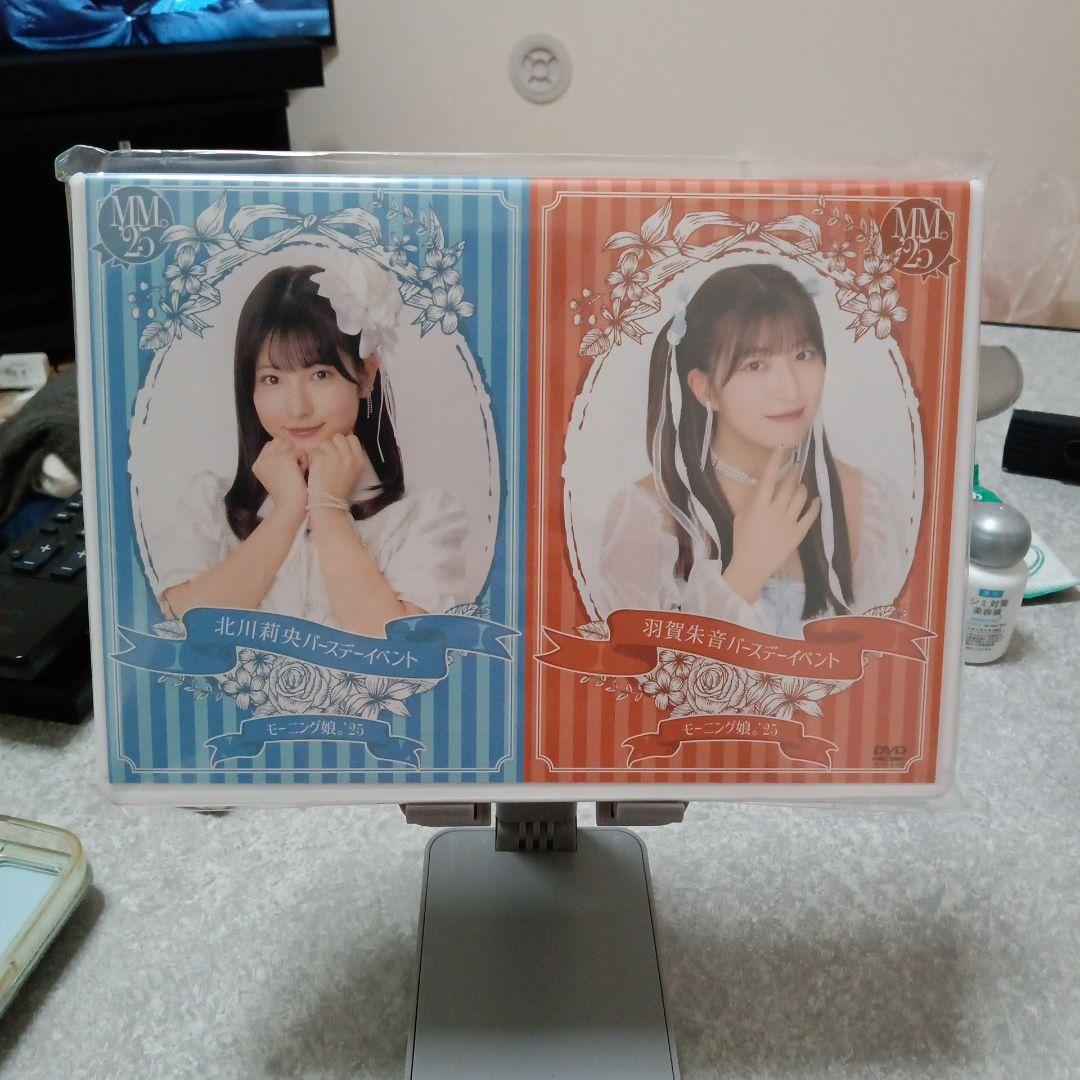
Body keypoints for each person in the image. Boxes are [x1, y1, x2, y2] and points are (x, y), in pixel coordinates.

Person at [148, 261, 470, 637]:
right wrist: (287, 512)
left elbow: (401, 646)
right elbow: (186, 628)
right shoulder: (209, 506)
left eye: (320, 375)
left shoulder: (424, 518)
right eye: (272, 379)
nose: (297, 408)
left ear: (365, 375)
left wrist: (328, 509)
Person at [595, 262, 910, 637]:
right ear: (704, 389)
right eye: (756, 365)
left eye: (803, 356)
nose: (790, 390)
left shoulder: (868, 503)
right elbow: (637, 666)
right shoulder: (646, 517)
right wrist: (745, 571)